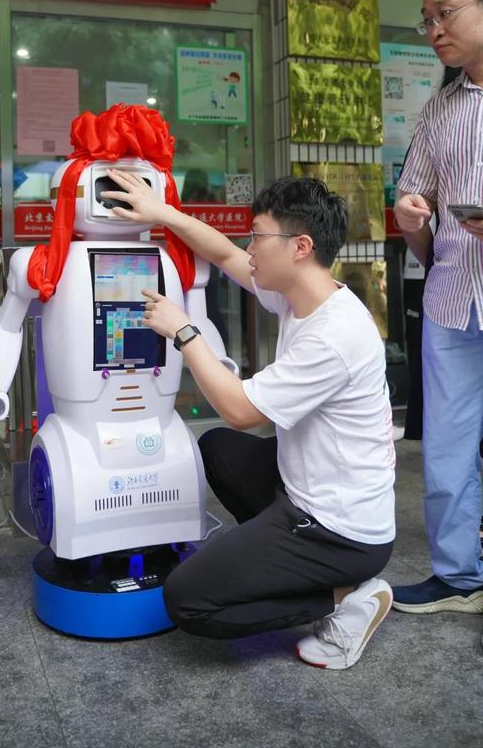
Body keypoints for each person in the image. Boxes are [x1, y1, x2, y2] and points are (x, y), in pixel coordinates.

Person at [102, 172, 395, 670]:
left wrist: (185, 332)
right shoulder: (302, 295)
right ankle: (283, 565)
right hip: (309, 489)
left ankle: (342, 598)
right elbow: (222, 255)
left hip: (338, 530)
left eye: (258, 235)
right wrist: (162, 212)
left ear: (300, 246)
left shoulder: (335, 334)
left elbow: (241, 411)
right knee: (218, 450)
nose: (249, 246)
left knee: (188, 599)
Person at [393, 0, 483, 616]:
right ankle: (459, 577)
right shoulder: (439, 110)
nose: (433, 30)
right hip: (453, 295)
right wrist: (409, 219)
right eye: (427, 19)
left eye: (445, 13)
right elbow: (418, 215)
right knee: (447, 447)